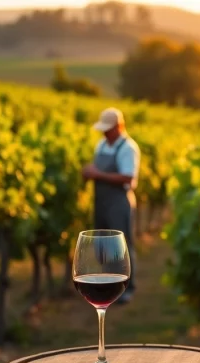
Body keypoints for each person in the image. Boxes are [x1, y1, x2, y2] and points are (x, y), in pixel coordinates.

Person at [82, 108, 140, 303]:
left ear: (119, 127)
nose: (105, 133)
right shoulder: (101, 145)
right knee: (102, 246)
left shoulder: (128, 148)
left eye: (108, 130)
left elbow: (128, 177)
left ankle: (127, 288)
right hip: (101, 202)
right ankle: (108, 285)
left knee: (121, 246)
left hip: (119, 202)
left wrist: (97, 174)